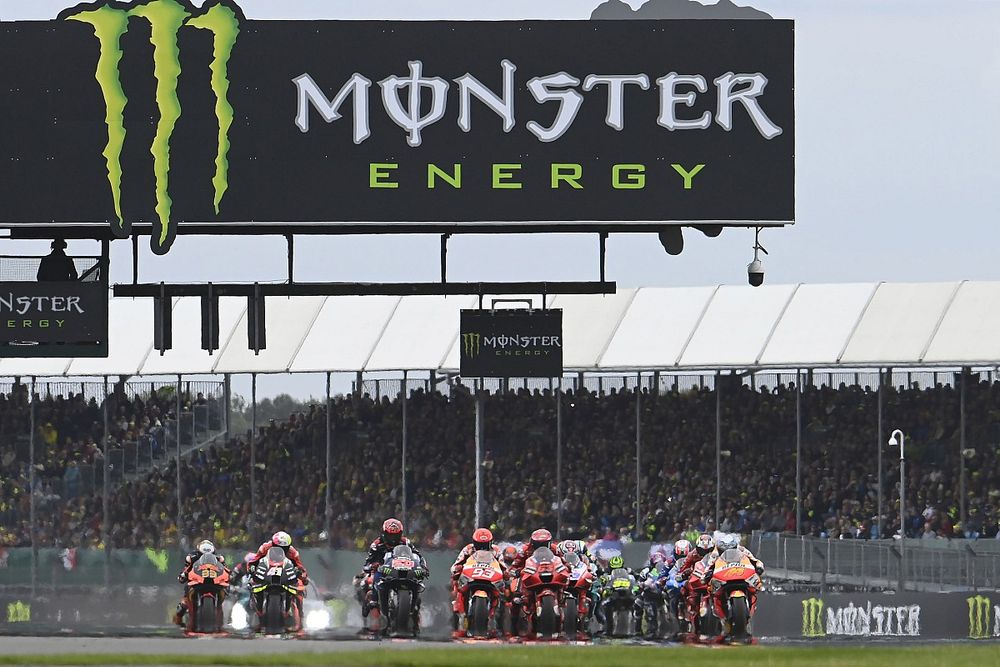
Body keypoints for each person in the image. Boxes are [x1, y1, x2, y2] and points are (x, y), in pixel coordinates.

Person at [362, 518, 427, 620]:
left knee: (417, 581)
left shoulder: (406, 542)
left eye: (396, 535)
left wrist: (423, 567)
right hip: (385, 569)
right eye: (390, 535)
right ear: (384, 533)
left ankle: (414, 606)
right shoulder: (376, 545)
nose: (393, 538)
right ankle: (374, 598)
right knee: (377, 576)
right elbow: (367, 564)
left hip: (404, 568)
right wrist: (373, 566)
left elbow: (417, 555)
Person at [448, 528, 504, 631]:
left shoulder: (496, 550)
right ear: (474, 542)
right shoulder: (468, 549)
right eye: (479, 544)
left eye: (485, 544)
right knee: (457, 585)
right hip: (472, 575)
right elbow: (457, 563)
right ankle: (461, 616)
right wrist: (456, 569)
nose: (482, 547)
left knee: (504, 591)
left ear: (490, 542)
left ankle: (494, 618)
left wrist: (506, 573)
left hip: (490, 576)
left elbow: (503, 565)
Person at [173, 540, 225, 627]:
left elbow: (224, 569)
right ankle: (178, 619)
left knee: (224, 592)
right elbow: (187, 568)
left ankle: (219, 620)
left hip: (214, 580)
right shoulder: (192, 557)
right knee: (184, 602)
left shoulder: (219, 558)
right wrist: (183, 575)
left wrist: (228, 576)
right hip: (197, 580)